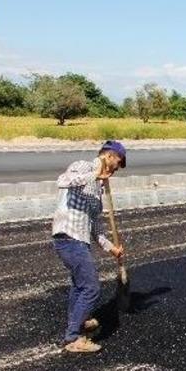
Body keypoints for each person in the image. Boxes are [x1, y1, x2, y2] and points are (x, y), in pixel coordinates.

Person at [52, 140, 127, 353]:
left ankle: (79, 321)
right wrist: (95, 174)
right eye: (118, 163)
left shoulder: (98, 190)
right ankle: (73, 338)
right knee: (91, 288)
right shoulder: (84, 166)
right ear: (109, 156)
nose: (117, 169)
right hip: (68, 237)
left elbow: (95, 228)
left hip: (80, 240)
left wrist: (111, 248)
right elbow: (62, 181)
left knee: (79, 286)